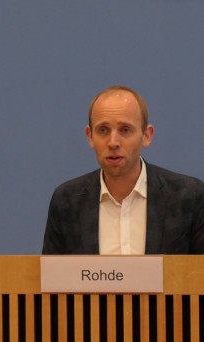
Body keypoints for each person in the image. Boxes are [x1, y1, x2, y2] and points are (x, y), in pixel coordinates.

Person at [42, 85, 204, 254]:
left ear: (146, 136)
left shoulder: (188, 197)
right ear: (90, 136)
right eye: (103, 130)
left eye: (125, 130)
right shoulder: (67, 201)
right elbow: (51, 277)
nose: (113, 142)